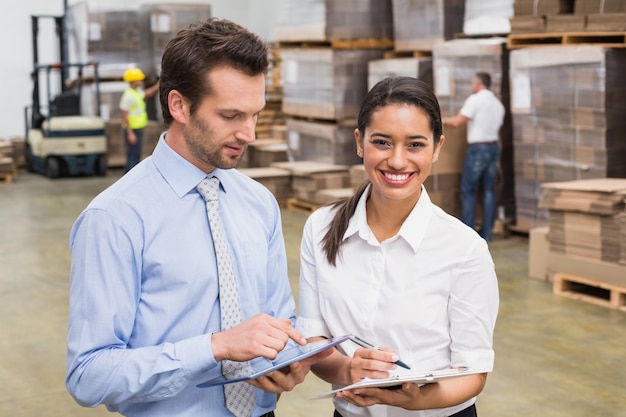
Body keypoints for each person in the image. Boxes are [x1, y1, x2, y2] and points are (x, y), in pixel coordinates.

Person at [67, 18, 327, 417]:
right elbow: (89, 374)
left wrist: (287, 361)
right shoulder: (114, 218)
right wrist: (215, 347)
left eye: (255, 115)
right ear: (179, 105)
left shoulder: (258, 203)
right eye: (231, 116)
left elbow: (279, 319)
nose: (249, 134)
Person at [297, 76, 499, 417]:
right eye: (383, 142)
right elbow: (315, 340)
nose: (397, 160)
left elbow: (472, 372)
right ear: (360, 142)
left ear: (437, 148)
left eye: (416, 145)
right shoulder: (320, 228)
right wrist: (347, 370)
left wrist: (415, 400)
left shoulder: (465, 249)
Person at [442, 72, 505, 241]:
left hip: (478, 149)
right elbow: (498, 129)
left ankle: (467, 234)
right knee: (488, 191)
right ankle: (487, 233)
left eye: (472, 83)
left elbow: (457, 122)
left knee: (468, 190)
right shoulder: (498, 105)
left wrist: (440, 120)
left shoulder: (475, 100)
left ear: (477, 83)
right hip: (493, 148)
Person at [119, 67, 160, 173]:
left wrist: (158, 86)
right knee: (133, 157)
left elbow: (147, 93)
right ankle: (129, 179)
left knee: (136, 156)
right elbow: (124, 115)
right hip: (133, 130)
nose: (141, 81)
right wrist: (130, 133)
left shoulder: (136, 92)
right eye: (139, 79)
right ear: (134, 81)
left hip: (137, 129)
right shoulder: (128, 96)